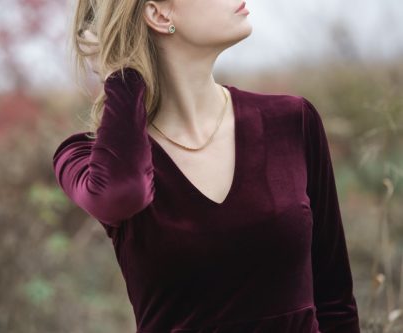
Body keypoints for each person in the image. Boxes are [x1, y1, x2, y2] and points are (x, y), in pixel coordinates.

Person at [53, 1, 361, 332]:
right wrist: (123, 73)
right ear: (159, 14)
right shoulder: (89, 157)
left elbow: (335, 303)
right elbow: (124, 191)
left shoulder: (290, 121)